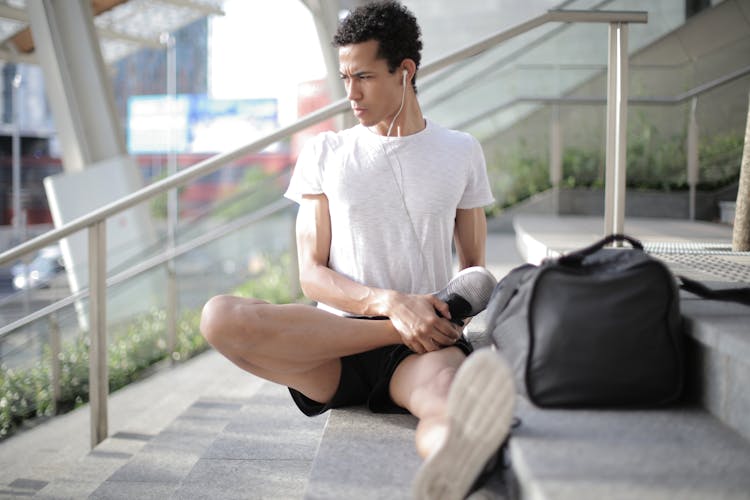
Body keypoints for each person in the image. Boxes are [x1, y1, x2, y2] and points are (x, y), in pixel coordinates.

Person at [199, 2, 515, 498]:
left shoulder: (460, 151)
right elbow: (311, 274)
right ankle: (402, 328)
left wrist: (439, 318)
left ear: (405, 71)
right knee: (219, 317)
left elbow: (472, 269)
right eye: (346, 76)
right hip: (336, 342)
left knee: (453, 409)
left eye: (364, 76)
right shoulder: (326, 153)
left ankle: (453, 467)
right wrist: (395, 307)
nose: (350, 93)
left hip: (422, 350)